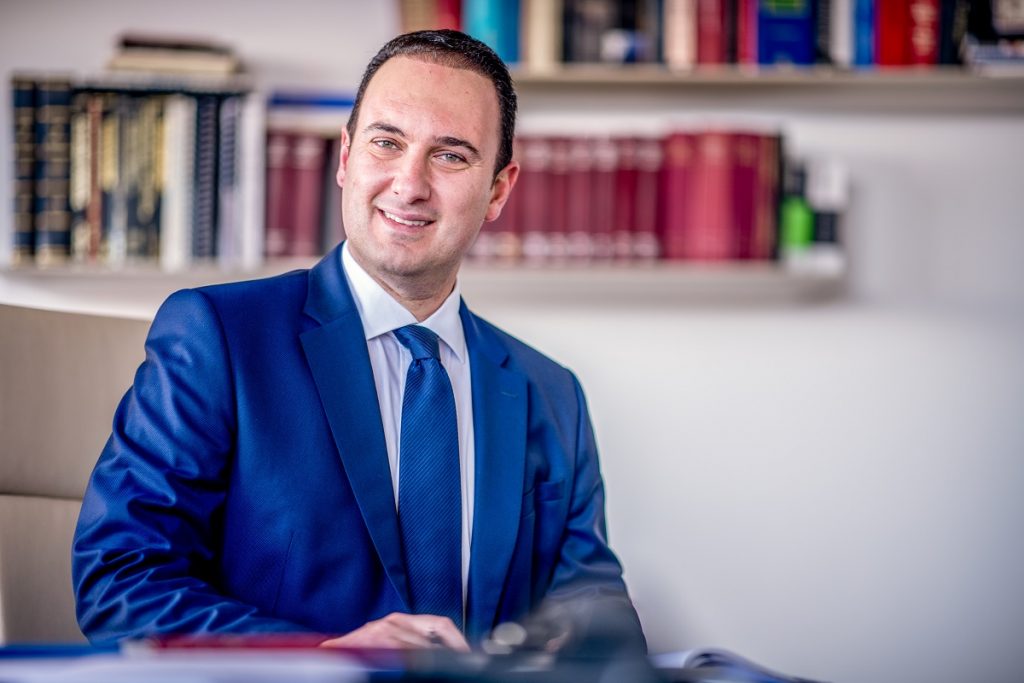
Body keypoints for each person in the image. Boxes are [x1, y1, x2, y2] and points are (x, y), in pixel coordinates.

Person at [72, 30, 642, 652]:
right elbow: (121, 581)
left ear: (498, 190)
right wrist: (323, 660)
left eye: (451, 156)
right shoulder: (219, 337)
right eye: (386, 143)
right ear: (346, 158)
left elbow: (598, 619)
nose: (409, 184)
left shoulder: (551, 393)